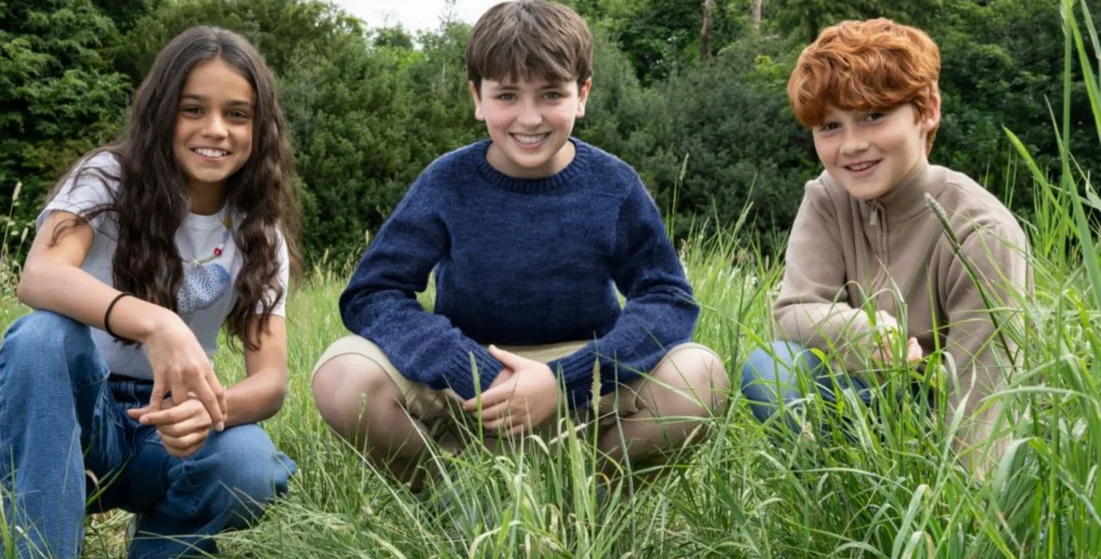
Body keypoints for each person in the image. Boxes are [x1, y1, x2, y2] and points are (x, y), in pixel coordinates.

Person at [312, 0, 727, 491]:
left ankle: (585, 496)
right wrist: (470, 368)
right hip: (467, 385)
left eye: (551, 93)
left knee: (701, 375)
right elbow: (372, 293)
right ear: (478, 97)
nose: (529, 118)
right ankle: (458, 494)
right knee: (342, 375)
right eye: (507, 95)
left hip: (584, 384)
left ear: (582, 94)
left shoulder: (613, 184)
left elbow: (667, 297)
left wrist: (565, 380)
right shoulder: (447, 181)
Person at [0, 25, 300, 559]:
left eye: (237, 114)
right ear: (161, 112)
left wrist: (211, 411)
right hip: (75, 412)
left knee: (249, 461)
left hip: (171, 424)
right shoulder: (107, 177)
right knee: (41, 335)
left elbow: (270, 382)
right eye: (193, 109)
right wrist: (158, 323)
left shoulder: (259, 232)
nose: (216, 129)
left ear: (260, 127)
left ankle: (159, 556)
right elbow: (38, 275)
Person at [740, 18, 1028, 474]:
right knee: (770, 367)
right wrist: (863, 332)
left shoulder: (982, 230)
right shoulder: (827, 197)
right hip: (859, 400)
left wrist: (965, 502)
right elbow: (793, 310)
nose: (852, 145)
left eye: (874, 116)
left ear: (928, 110)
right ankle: (834, 499)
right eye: (830, 125)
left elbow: (984, 392)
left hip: (944, 412)